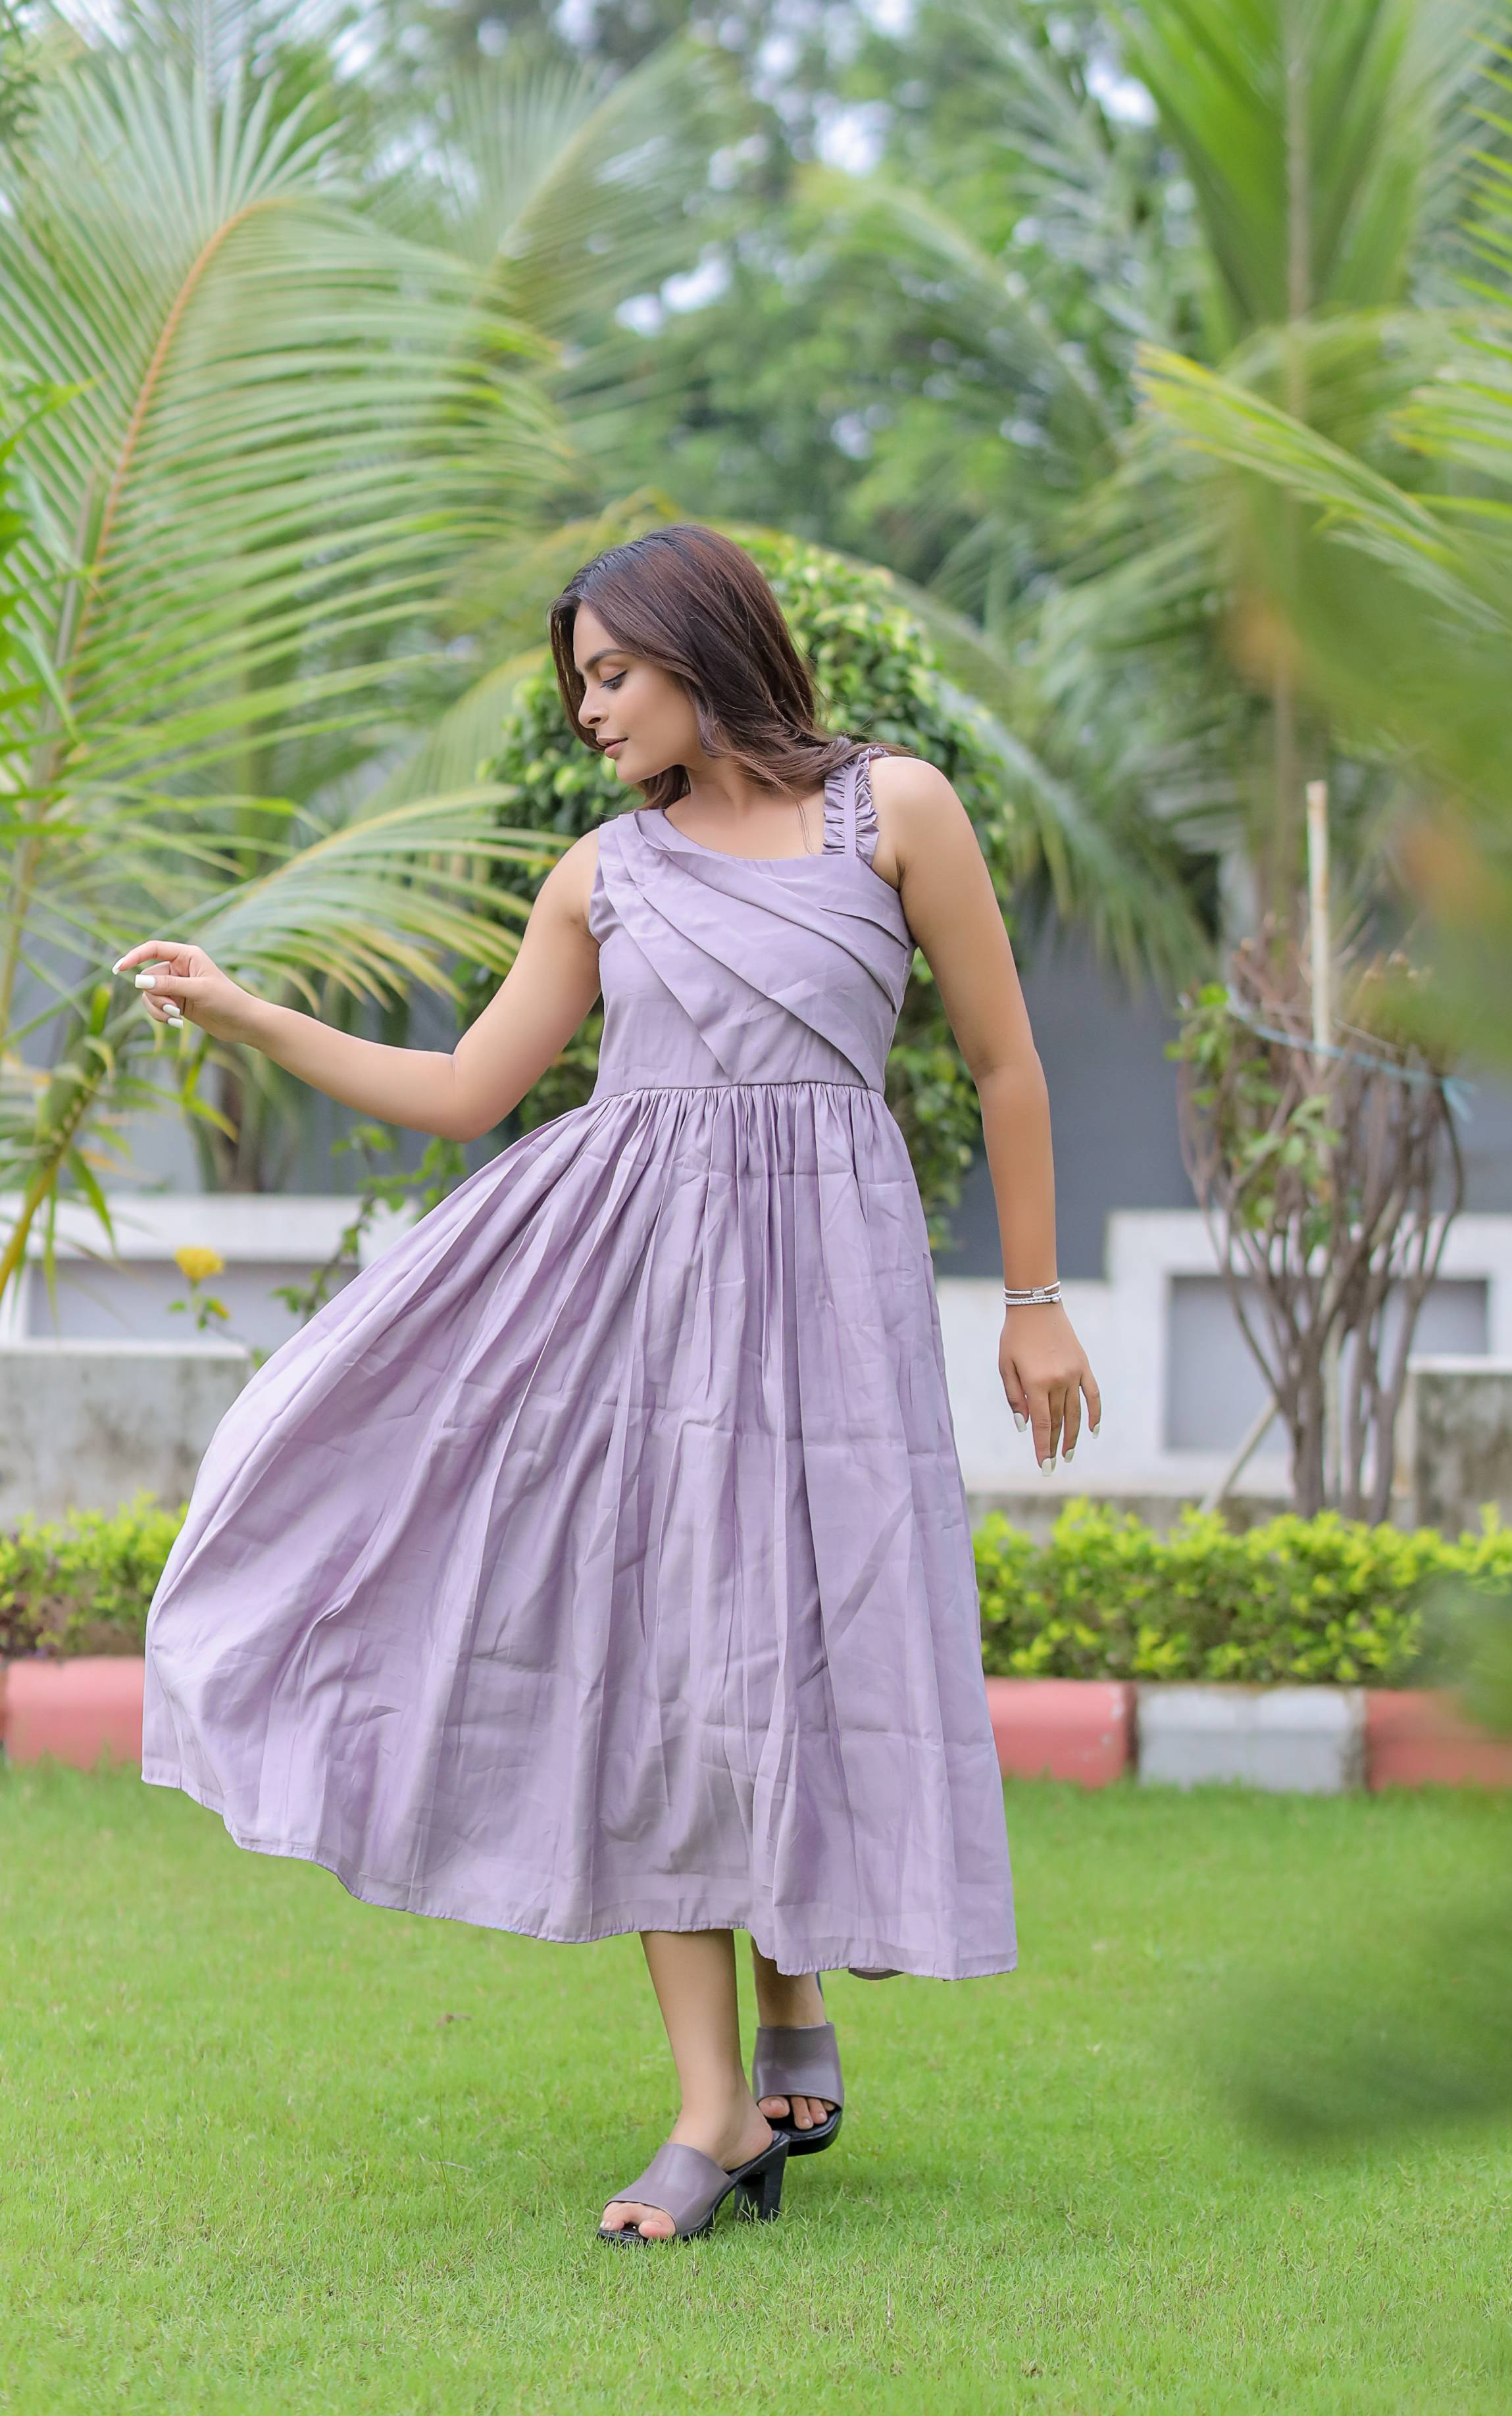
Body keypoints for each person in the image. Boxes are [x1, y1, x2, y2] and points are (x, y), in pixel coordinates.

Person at [120, 523, 1101, 2244]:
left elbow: (1006, 1063)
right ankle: (715, 2110)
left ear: (697, 650)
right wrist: (246, 1012)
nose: (587, 711)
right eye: (576, 685)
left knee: (794, 1634)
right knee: (669, 1663)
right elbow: (464, 1087)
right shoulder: (603, 877)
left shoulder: (899, 813)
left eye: (608, 675)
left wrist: (1033, 1302)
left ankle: (796, 2012)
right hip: (633, 1303)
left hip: (832, 1304)